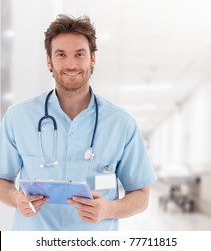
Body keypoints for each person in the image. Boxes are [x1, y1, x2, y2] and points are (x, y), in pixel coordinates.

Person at [0, 14, 156, 231]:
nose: (71, 64)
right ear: (49, 61)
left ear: (92, 59)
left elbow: (141, 194)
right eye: (61, 54)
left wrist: (108, 209)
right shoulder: (18, 118)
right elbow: (2, 181)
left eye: (79, 54)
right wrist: (16, 198)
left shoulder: (122, 123)